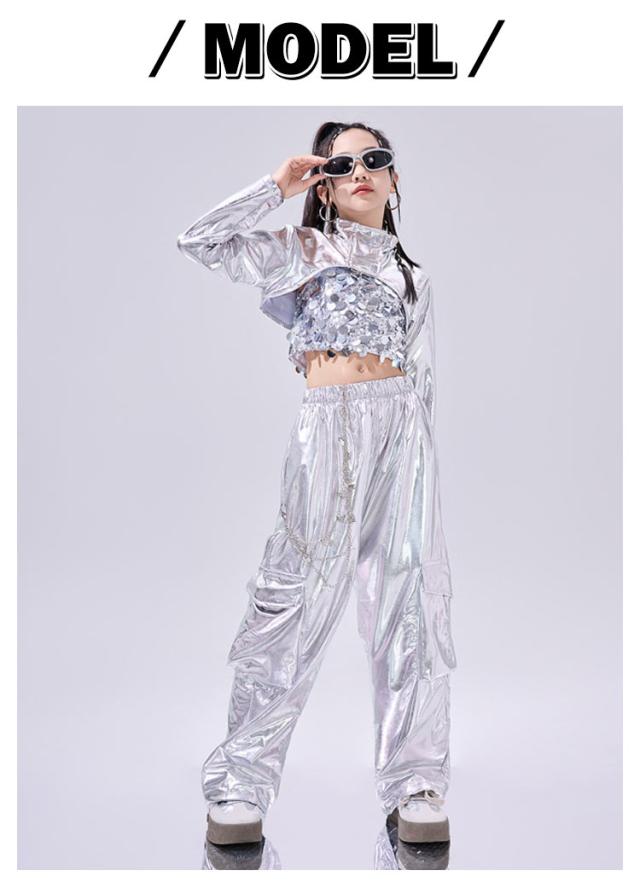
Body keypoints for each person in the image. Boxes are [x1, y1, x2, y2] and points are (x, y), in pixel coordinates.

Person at [176, 121, 458, 847]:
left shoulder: (413, 276)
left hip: (402, 433)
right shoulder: (301, 250)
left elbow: (425, 379)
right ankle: (241, 779)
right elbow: (199, 240)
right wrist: (276, 187)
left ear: (394, 179)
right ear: (324, 185)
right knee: (291, 602)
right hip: (326, 430)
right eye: (342, 164)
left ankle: (415, 780)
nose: (360, 170)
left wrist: (424, 485)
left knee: (408, 602)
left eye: (375, 159)